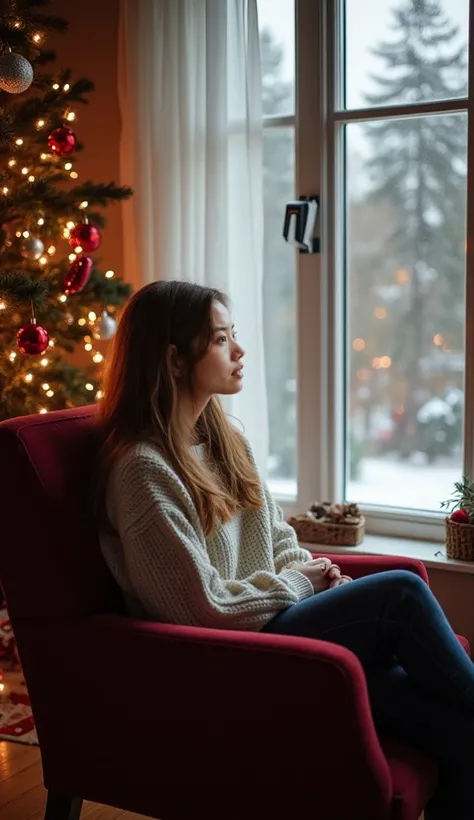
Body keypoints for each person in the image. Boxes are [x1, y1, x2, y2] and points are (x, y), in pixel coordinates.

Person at [95, 280, 474, 820]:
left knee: (461, 732)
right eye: (222, 339)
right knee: (400, 593)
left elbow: (278, 540)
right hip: (223, 660)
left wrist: (316, 574)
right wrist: (305, 585)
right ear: (174, 360)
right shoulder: (142, 470)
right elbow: (200, 609)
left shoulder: (228, 440)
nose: (240, 351)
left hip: (278, 625)